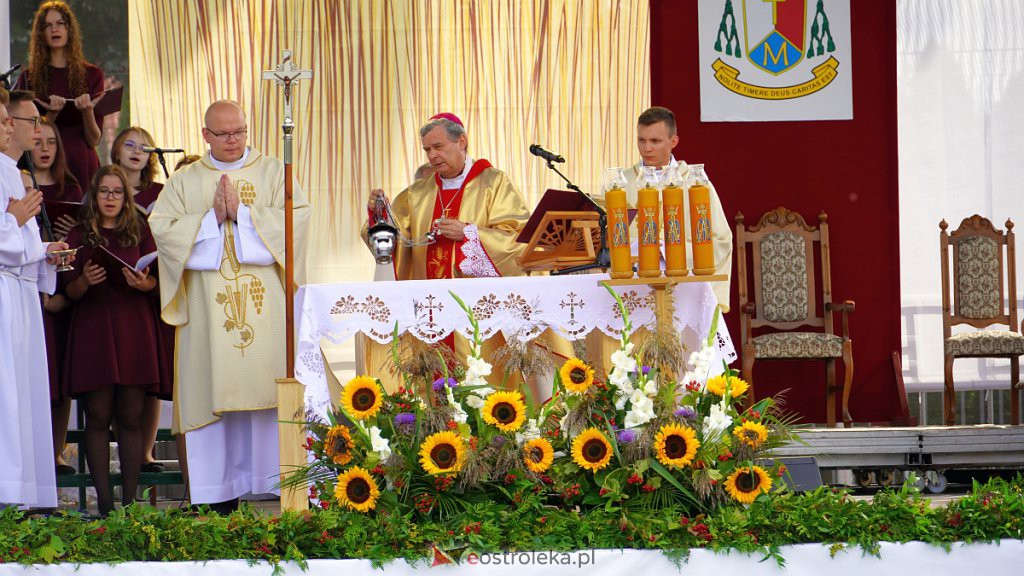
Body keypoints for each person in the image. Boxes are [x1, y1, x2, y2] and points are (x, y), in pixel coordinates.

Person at [149, 100, 310, 513]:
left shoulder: (275, 171)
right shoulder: (185, 182)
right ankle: (217, 496)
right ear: (206, 135)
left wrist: (246, 216)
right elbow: (162, 231)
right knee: (210, 389)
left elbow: (300, 220)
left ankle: (279, 487)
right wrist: (210, 220)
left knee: (269, 390)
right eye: (223, 133)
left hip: (267, 309)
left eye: (240, 130)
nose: (234, 139)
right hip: (207, 312)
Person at [62, 165, 160, 516]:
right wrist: (85, 280)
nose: (111, 198)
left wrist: (142, 283)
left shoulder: (140, 230)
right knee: (98, 417)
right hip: (94, 329)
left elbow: (155, 283)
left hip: (132, 327)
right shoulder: (78, 235)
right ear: (94, 194)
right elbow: (67, 293)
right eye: (104, 191)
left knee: (131, 417)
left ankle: (130, 506)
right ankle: (104, 506)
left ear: (126, 196)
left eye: (117, 192)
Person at [0, 88, 66, 511]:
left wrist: (45, 252)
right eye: (6, 121)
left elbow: (18, 243)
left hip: (18, 292)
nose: (9, 126)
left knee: (22, 393)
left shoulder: (9, 168)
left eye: (9, 120)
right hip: (4, 291)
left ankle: (24, 492)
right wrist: (13, 220)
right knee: (7, 393)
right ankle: (9, 492)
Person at [364, 113, 530, 280]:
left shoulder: (494, 183)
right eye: (427, 149)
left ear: (461, 142)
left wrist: (469, 233)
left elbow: (518, 240)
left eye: (438, 146)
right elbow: (395, 242)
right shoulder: (416, 193)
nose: (432, 156)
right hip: (427, 297)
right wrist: (380, 214)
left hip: (472, 297)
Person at [627, 106, 732, 310]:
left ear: (673, 141)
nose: (646, 148)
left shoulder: (696, 184)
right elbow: (605, 240)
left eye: (655, 141)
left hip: (685, 288)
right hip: (634, 289)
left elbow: (721, 241)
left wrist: (666, 251)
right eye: (641, 140)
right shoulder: (621, 184)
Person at [30, 116, 80, 476]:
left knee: (58, 374)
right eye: (39, 141)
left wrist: (71, 229)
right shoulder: (19, 185)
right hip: (29, 281)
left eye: (51, 142)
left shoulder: (71, 187)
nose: (45, 149)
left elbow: (82, 238)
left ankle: (57, 451)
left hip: (63, 284)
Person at [19, 1, 107, 190]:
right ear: (41, 33)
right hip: (44, 166)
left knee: (83, 216)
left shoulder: (92, 75)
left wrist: (87, 112)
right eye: (48, 25)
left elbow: (94, 140)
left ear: (69, 29)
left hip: (82, 162)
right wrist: (50, 117)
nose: (54, 29)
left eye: (60, 23)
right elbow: (22, 133)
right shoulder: (28, 78)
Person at [110, 126, 163, 214]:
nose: (137, 151)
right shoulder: (102, 189)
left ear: (149, 158)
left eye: (144, 148)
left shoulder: (161, 192)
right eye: (130, 145)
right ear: (117, 152)